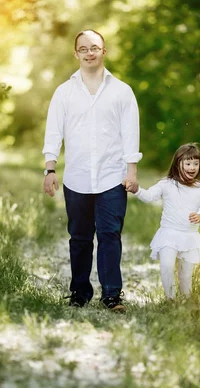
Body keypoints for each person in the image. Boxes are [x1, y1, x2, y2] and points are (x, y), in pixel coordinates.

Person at [42, 29, 142, 312]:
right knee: (80, 238)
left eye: (94, 47)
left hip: (112, 176)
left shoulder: (122, 91)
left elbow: (130, 133)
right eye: (83, 48)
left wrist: (131, 171)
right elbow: (53, 133)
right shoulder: (64, 92)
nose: (89, 52)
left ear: (104, 51)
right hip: (77, 178)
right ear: (76, 54)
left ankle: (111, 295)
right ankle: (80, 293)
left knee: (111, 235)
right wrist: (49, 169)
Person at [129, 143, 200, 300]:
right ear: (177, 163)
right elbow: (149, 196)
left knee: (185, 274)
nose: (192, 167)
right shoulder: (166, 184)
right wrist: (137, 190)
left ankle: (186, 301)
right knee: (166, 266)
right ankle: (170, 299)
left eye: (195, 163)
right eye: (187, 163)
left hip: (189, 235)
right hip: (168, 234)